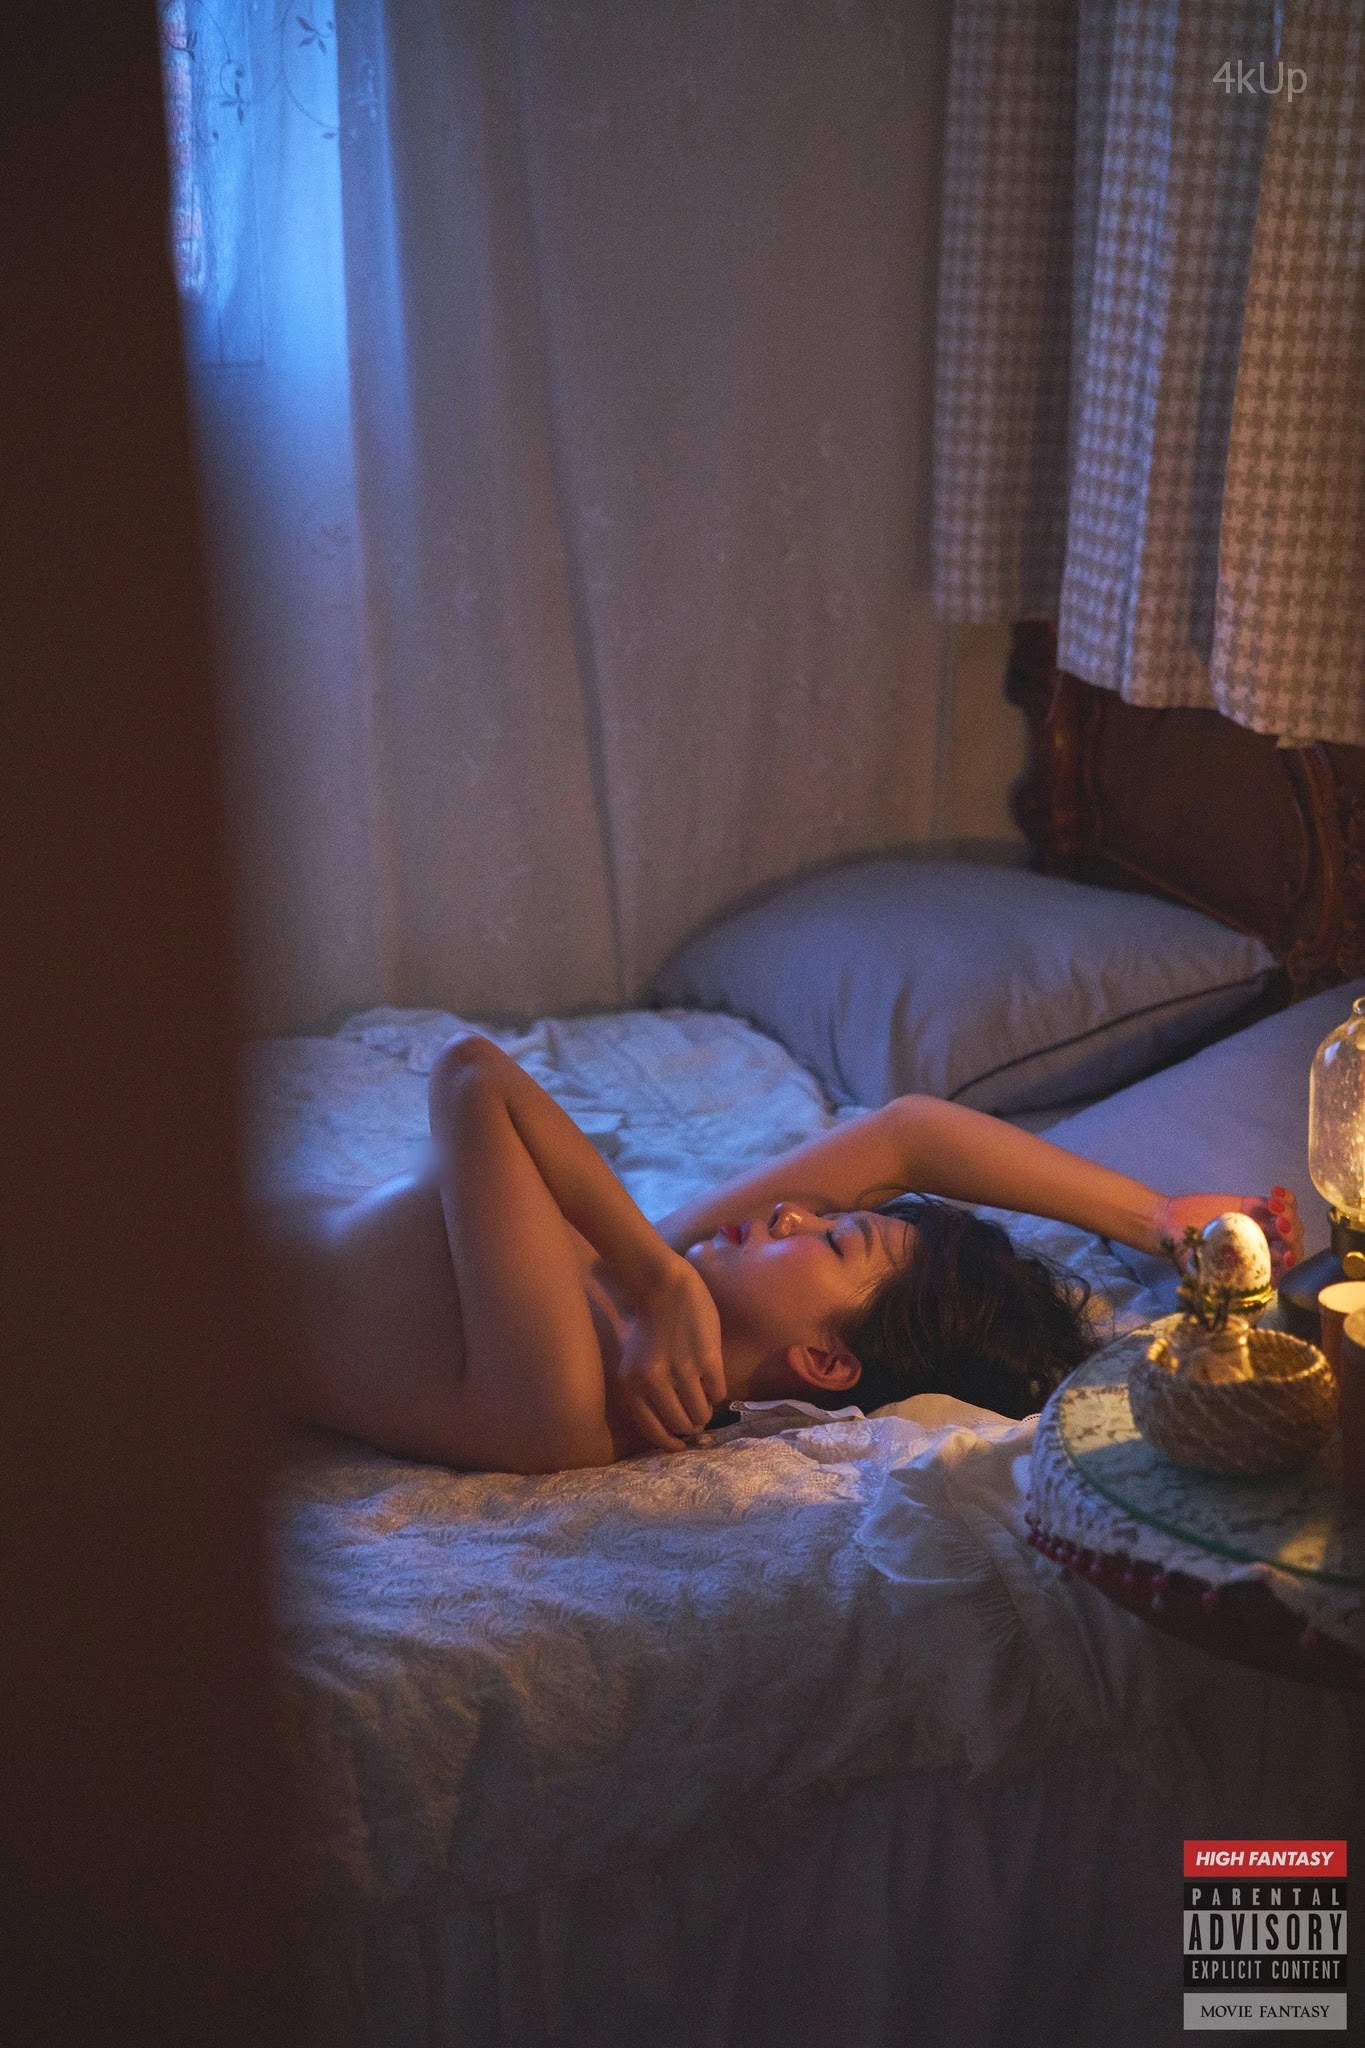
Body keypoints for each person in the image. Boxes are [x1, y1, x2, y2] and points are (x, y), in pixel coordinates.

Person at [263, 1031, 1303, 1474]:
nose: (793, 1212)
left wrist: (660, 1278)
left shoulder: (567, 1396)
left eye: (835, 1237)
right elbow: (905, 1134)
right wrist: (1158, 1218)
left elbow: (471, 1075)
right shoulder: (648, 1280)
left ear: (825, 1362)